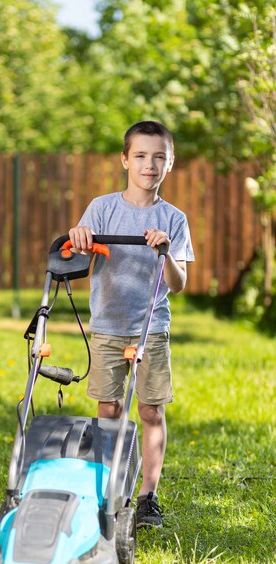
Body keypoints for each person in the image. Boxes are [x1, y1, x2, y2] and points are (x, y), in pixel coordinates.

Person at [68, 120, 194, 528]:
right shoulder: (102, 208)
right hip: (107, 326)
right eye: (140, 156)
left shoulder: (174, 218)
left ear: (170, 163)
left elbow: (178, 284)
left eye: (159, 157)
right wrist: (79, 237)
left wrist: (167, 252)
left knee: (151, 411)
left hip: (150, 328)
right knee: (109, 408)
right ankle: (109, 487)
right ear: (125, 159)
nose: (149, 165)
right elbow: (76, 264)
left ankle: (148, 496)